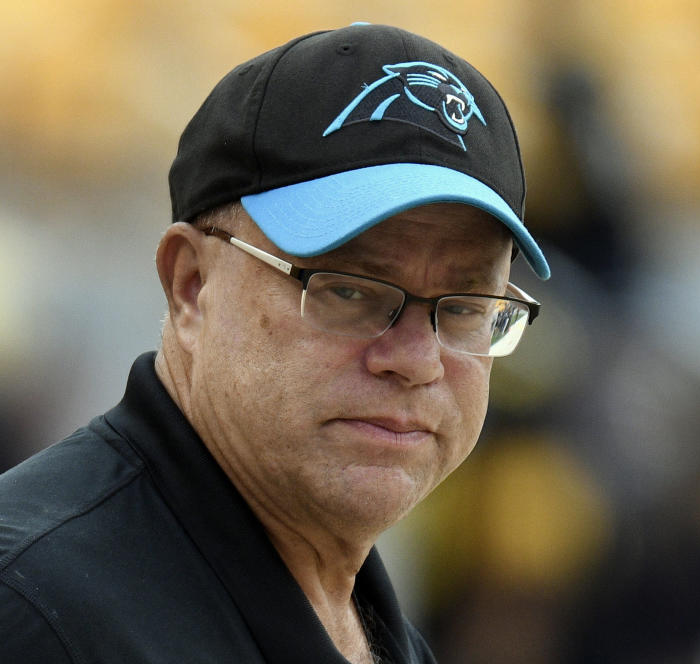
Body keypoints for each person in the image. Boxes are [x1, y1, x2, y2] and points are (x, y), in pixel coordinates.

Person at [0, 23, 549, 664]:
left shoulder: (368, 628)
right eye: (350, 289)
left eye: (463, 307)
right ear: (191, 287)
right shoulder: (36, 615)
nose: (417, 362)